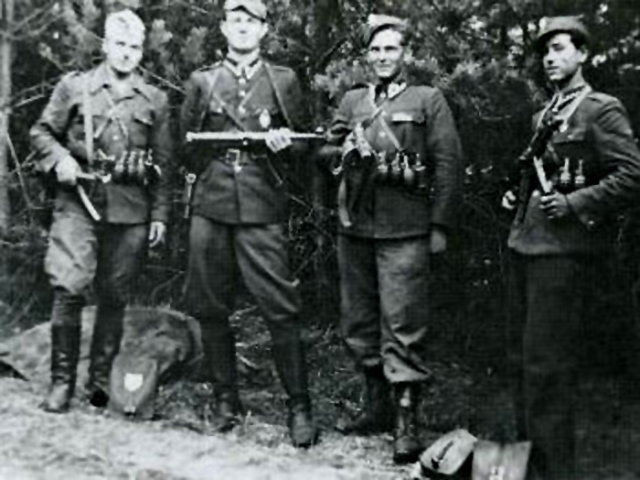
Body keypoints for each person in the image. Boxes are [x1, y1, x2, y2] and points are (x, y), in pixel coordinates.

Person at [504, 16, 640, 479]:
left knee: (547, 367)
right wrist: (516, 196)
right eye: (545, 51)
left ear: (583, 54)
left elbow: (631, 175)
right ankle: (527, 464)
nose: (550, 57)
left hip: (564, 255)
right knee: (521, 362)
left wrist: (576, 203)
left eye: (560, 48)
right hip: (525, 246)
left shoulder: (601, 110)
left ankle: (553, 471)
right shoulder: (543, 115)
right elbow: (539, 175)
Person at [324, 14, 463, 464]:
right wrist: (343, 152)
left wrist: (439, 226)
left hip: (406, 228)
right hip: (356, 227)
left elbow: (448, 164)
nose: (382, 57)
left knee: (403, 322)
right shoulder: (353, 100)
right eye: (375, 49)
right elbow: (326, 149)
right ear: (366, 55)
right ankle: (376, 406)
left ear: (405, 53)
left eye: (391, 48)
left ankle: (406, 420)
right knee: (358, 319)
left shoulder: (427, 99)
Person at [179, 0, 317, 448]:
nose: (242, 28)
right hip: (212, 202)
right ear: (223, 28)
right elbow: (184, 147)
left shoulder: (283, 80)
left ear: (263, 30)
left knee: (280, 305)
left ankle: (299, 406)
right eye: (235, 20)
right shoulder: (203, 81)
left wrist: (283, 144)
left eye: (250, 21)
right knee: (210, 304)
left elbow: (306, 147)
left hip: (261, 202)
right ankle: (226, 400)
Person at [30, 9, 172, 413]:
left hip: (130, 209)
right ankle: (61, 383)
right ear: (106, 45)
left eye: (134, 47)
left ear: (141, 51)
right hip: (78, 200)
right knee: (69, 284)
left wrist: (160, 216)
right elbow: (41, 132)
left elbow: (165, 164)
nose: (126, 53)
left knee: (114, 294)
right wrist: (60, 159)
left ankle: (97, 383)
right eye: (119, 44)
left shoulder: (154, 99)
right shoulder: (75, 87)